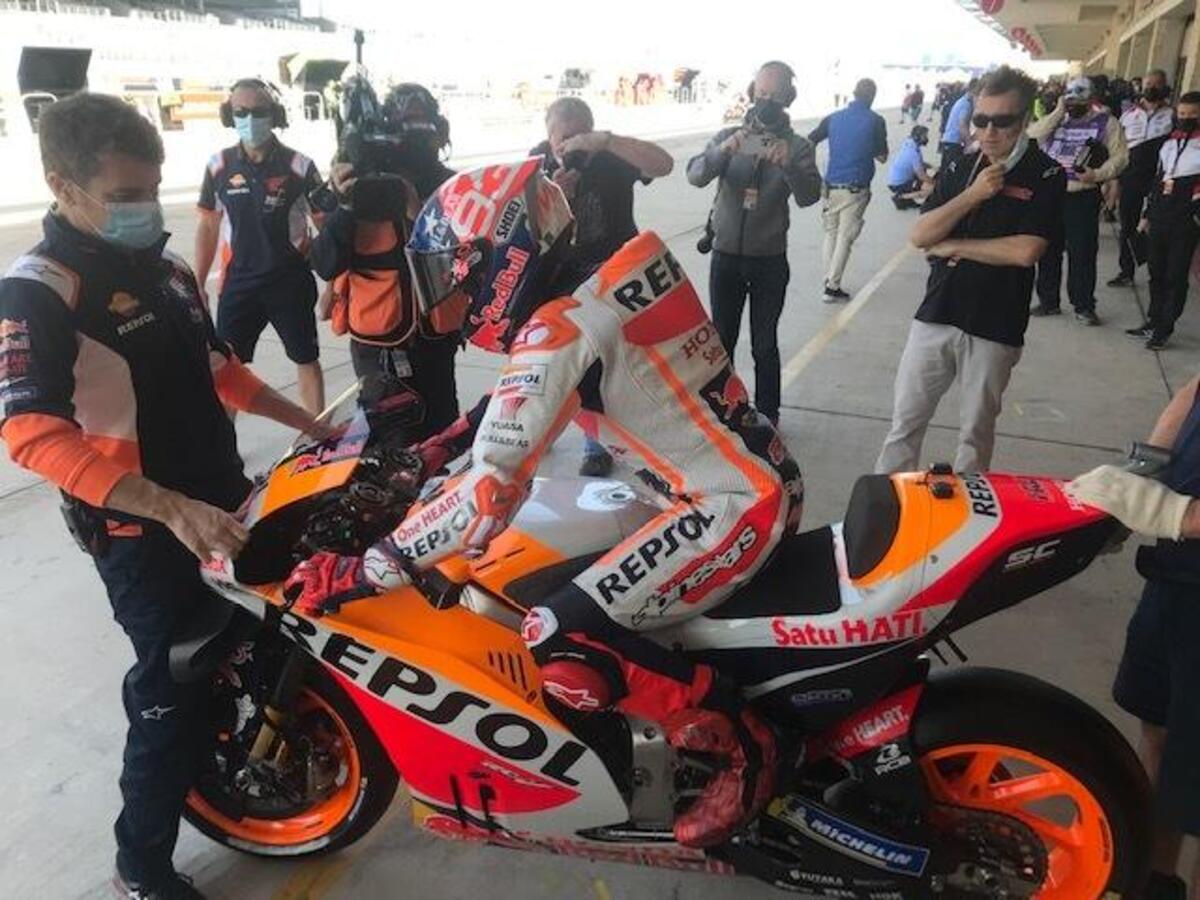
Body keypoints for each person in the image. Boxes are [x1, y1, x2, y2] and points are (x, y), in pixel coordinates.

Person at [284, 161, 806, 851]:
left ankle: (748, 745)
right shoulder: (599, 283)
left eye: (456, 275)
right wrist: (440, 445)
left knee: (555, 630)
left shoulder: (562, 329)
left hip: (730, 508)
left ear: (501, 259)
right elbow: (526, 395)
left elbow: (487, 494)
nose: (454, 297)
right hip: (744, 474)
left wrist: (365, 570)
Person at [0, 93, 328, 900]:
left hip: (222, 498)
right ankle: (140, 865)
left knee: (266, 640)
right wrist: (171, 509)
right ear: (62, 186)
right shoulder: (38, 291)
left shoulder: (169, 268)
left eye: (150, 191)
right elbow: (31, 435)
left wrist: (311, 423)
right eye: (123, 197)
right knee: (170, 691)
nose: (143, 209)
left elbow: (222, 370)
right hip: (140, 532)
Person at [876, 66, 1065, 474]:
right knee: (904, 426)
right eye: (981, 120)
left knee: (975, 437)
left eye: (1003, 121)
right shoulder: (960, 167)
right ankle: (885, 503)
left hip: (996, 325)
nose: (990, 131)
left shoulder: (1047, 173)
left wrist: (955, 245)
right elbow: (921, 234)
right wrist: (973, 195)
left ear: (1024, 120)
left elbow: (1026, 250)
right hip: (938, 312)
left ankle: (970, 510)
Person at [1067, 375, 1200, 900]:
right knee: (1161, 734)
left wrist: (1173, 513)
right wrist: (1146, 468)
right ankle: (1151, 881)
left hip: (1185, 535)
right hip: (1179, 574)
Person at [530, 96, 674, 476]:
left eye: (581, 134)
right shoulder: (537, 165)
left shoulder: (611, 155)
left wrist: (606, 141)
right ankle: (556, 432)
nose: (572, 144)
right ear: (549, 137)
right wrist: (555, 196)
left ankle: (605, 441)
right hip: (562, 279)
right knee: (563, 361)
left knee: (616, 360)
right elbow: (525, 231)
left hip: (615, 275)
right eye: (564, 138)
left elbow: (664, 165)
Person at [309, 82, 461, 437]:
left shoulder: (449, 185)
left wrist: (416, 210)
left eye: (421, 125)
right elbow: (325, 263)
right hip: (375, 343)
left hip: (433, 339)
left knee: (440, 432)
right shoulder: (356, 181)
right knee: (382, 436)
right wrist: (346, 205)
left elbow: (467, 256)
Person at [686, 61, 821, 424]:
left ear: (789, 98)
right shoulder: (729, 135)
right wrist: (723, 151)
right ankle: (722, 411)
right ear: (751, 93)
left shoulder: (799, 146)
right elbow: (695, 175)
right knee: (722, 341)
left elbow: (810, 196)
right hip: (726, 257)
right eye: (761, 93)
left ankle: (769, 414)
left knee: (764, 343)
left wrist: (789, 165)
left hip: (769, 260)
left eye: (775, 96)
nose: (766, 102)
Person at [193, 78, 325, 415]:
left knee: (306, 358)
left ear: (274, 114)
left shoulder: (300, 166)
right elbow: (207, 225)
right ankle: (224, 441)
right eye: (240, 112)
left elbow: (327, 226)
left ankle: (319, 435)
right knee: (226, 369)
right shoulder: (218, 166)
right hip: (239, 283)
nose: (249, 119)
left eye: (259, 111)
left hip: (290, 282)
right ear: (229, 116)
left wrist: (336, 286)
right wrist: (198, 282)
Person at [1028, 77, 1128, 325]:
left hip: (1082, 194)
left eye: (1078, 101)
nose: (1073, 105)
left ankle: (1083, 305)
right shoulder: (1057, 120)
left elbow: (1121, 157)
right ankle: (1048, 300)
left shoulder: (1107, 122)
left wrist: (1098, 174)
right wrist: (1058, 112)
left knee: (1082, 253)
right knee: (1047, 250)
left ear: (1091, 99)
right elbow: (1031, 137)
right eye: (1069, 100)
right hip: (1051, 194)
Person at [1127, 92, 1200, 350]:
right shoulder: (1169, 142)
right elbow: (1159, 179)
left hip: (1186, 219)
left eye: (1193, 115)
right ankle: (1154, 319)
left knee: (1175, 275)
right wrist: (1147, 215)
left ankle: (1165, 327)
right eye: (1182, 114)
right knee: (1155, 271)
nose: (1186, 118)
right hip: (1161, 214)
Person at [808, 78, 888, 302]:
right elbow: (882, 157)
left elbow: (810, 140)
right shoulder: (876, 121)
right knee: (845, 237)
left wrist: (814, 172)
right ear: (872, 97)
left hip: (831, 185)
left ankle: (828, 279)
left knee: (830, 233)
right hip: (856, 189)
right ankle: (832, 287)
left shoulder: (833, 118)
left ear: (854, 94)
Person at [1111, 69, 1174, 288]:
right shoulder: (1129, 114)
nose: (1151, 88)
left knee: (1158, 226)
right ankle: (1126, 271)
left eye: (1156, 85)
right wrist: (1114, 179)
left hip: (1161, 177)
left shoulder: (1173, 115)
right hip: (1132, 176)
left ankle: (1159, 274)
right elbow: (1118, 146)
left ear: (1164, 87)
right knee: (1128, 225)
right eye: (1148, 84)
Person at [887, 124, 934, 210]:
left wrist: (933, 167)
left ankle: (908, 199)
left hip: (894, 180)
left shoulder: (908, 143)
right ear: (917, 137)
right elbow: (922, 176)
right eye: (924, 136)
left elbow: (919, 164)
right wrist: (934, 183)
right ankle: (901, 197)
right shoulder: (913, 153)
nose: (926, 138)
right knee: (930, 189)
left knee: (923, 170)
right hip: (899, 184)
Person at [939, 79, 976, 166]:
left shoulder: (962, 100)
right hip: (953, 143)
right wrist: (969, 144)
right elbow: (962, 124)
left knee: (946, 169)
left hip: (949, 141)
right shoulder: (966, 104)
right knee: (952, 169)